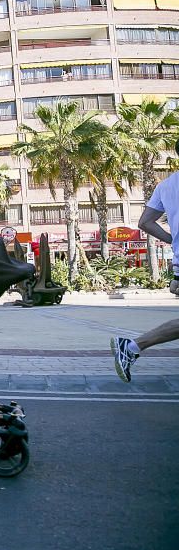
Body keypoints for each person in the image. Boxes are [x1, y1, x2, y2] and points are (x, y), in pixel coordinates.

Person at [112, 139, 179, 382]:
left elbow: (145, 222)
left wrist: (174, 240)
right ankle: (131, 347)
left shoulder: (167, 185)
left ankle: (130, 347)